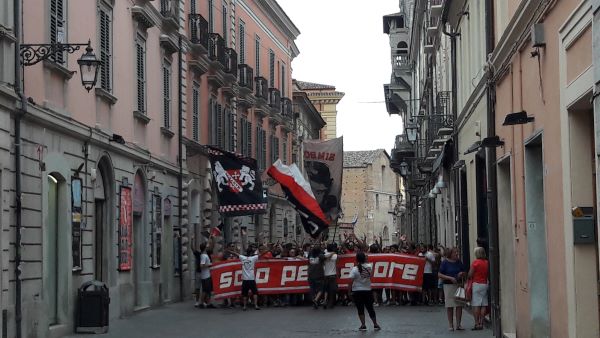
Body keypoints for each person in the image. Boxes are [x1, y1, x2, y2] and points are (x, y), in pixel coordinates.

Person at [349, 252, 381, 331]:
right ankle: (375, 324)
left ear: (356, 259)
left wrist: (349, 291)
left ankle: (363, 325)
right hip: (367, 290)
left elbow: (350, 281)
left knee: (360, 309)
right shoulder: (370, 266)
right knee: (370, 308)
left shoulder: (354, 269)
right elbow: (371, 275)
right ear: (365, 258)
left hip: (357, 291)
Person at [438, 247, 467, 331]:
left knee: (459, 305)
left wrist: (461, 274)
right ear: (450, 254)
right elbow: (439, 274)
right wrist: (450, 278)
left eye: (457, 252)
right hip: (448, 286)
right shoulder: (445, 263)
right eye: (455, 252)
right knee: (450, 305)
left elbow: (464, 271)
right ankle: (451, 324)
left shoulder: (459, 262)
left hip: (458, 285)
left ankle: (458, 324)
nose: (457, 254)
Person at [468, 247, 489, 330]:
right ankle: (482, 322)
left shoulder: (475, 263)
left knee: (476, 304)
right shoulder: (487, 262)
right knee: (483, 304)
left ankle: (477, 323)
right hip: (485, 284)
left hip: (477, 284)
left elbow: (470, 274)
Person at [193, 239, 215, 309]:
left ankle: (207, 303)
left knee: (208, 290)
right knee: (205, 290)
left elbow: (212, 246)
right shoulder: (203, 256)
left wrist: (212, 239)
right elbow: (202, 265)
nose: (208, 246)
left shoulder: (205, 254)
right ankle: (201, 303)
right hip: (205, 276)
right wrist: (209, 265)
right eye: (207, 245)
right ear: (205, 247)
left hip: (207, 275)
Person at [322, 243, 338, 309]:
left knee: (326, 289)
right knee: (332, 290)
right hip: (332, 275)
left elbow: (325, 254)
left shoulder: (324, 254)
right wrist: (334, 252)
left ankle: (325, 300)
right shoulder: (335, 255)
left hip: (325, 274)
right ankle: (331, 303)